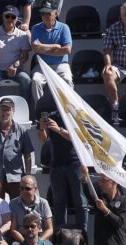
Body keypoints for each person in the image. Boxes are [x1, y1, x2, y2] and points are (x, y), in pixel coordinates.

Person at [37, 96, 87, 237]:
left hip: (74, 163)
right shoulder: (51, 116)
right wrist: (42, 128)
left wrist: (58, 129)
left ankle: (83, 235)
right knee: (59, 203)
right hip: (56, 164)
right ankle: (61, 236)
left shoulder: (73, 115)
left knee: (80, 201)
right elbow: (42, 140)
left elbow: (78, 137)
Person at [0, 98, 34, 199]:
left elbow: (27, 155)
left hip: (17, 178)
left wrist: (28, 176)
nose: (4, 112)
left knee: (18, 209)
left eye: (7, 109)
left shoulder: (21, 130)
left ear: (13, 111)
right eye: (2, 109)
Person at [0, 5, 31, 105]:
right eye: (7, 16)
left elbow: (25, 56)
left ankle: (26, 107)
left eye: (13, 17)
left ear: (17, 19)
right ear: (3, 17)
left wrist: (15, 65)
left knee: (26, 79)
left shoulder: (22, 35)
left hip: (15, 69)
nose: (10, 19)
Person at [30, 0, 73, 105]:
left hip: (60, 65)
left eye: (48, 13)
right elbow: (36, 47)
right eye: (43, 13)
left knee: (67, 80)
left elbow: (67, 50)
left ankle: (69, 111)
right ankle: (39, 112)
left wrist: (43, 49)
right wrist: (56, 46)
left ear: (56, 13)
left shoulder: (64, 27)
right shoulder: (36, 28)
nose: (45, 16)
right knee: (36, 81)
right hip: (41, 66)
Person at [8, 175, 54, 243]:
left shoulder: (43, 203)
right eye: (21, 188)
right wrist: (24, 242)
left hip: (40, 237)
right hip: (21, 238)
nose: (23, 191)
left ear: (35, 189)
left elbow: (50, 229)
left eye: (27, 188)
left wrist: (39, 241)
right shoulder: (13, 203)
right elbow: (13, 230)